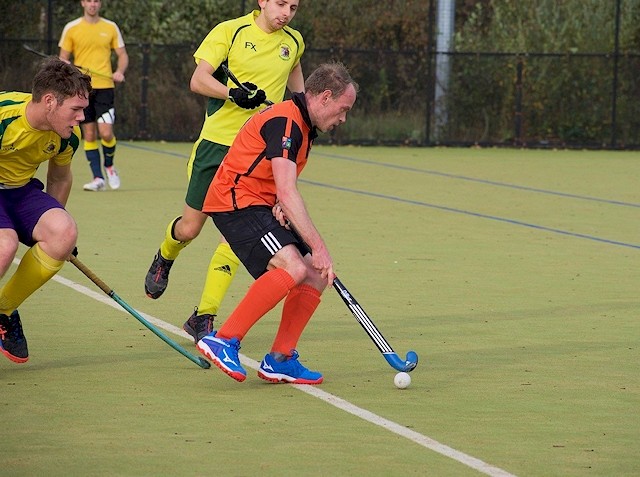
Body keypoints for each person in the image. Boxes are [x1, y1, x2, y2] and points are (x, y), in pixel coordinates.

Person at [144, 0, 305, 344]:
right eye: (280, 4)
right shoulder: (229, 32)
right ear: (262, 1)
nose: (286, 13)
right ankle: (165, 255)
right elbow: (198, 79)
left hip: (258, 155)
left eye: (293, 7)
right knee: (189, 228)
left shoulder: (293, 43)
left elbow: (299, 97)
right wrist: (233, 93)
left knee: (236, 235)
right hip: (217, 147)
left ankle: (203, 315)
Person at [196, 62, 358, 384]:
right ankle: (224, 339)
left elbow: (279, 186)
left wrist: (279, 205)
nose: (343, 119)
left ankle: (280, 358)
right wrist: (318, 245)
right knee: (294, 267)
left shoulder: (304, 127)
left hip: (259, 204)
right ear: (325, 97)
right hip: (235, 202)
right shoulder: (287, 120)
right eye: (343, 109)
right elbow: (287, 188)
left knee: (314, 274)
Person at [0, 58, 91, 363]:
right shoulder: (4, 116)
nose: (81, 117)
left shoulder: (63, 138)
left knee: (63, 232)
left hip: (21, 191)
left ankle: (3, 310)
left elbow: (59, 178)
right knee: (4, 245)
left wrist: (48, 229)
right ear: (50, 101)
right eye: (75, 110)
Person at [59, 0, 128, 192]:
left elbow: (122, 55)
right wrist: (69, 67)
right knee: (89, 134)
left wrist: (119, 71)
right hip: (82, 89)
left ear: (100, 4)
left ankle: (109, 166)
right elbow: (63, 58)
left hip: (106, 88)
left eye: (96, 1)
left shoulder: (110, 27)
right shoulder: (71, 28)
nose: (93, 4)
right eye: (89, 0)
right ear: (83, 3)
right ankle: (98, 178)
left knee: (105, 132)